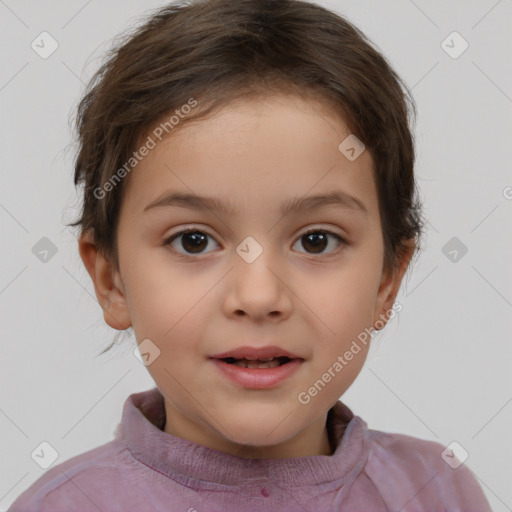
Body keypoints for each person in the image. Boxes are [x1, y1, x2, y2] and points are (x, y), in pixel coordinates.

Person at [8, 0, 492, 510]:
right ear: (112, 280)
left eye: (316, 240)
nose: (258, 297)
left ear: (386, 281)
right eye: (193, 240)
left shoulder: (439, 490)